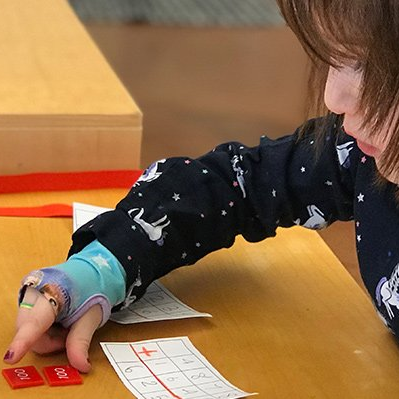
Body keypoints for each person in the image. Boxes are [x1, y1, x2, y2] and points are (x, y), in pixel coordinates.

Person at [5, 0, 399, 373]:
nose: (333, 98)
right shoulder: (357, 156)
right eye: (335, 59)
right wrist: (103, 267)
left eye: (370, 66)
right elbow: (231, 184)